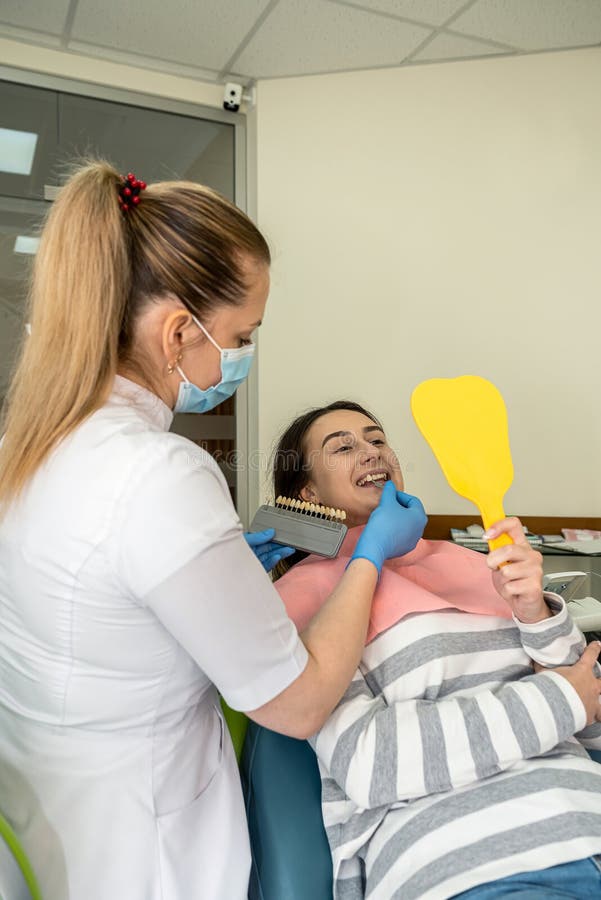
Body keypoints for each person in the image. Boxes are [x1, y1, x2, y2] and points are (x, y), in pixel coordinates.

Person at [0, 164, 429, 900]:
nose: (369, 455)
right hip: (142, 841)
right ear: (177, 333)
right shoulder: (158, 476)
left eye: (376, 438)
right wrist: (370, 557)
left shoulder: (31, 447)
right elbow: (296, 704)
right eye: (242, 335)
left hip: (48, 800)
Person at [272, 400, 601, 900]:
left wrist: (535, 611)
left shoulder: (473, 562)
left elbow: (589, 720)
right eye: (343, 447)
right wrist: (557, 699)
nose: (371, 451)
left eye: (377, 439)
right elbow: (374, 761)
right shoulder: (302, 602)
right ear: (307, 493)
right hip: (471, 861)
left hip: (586, 816)